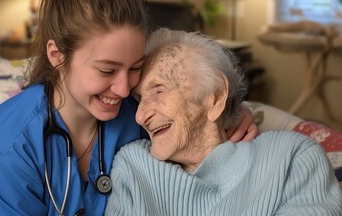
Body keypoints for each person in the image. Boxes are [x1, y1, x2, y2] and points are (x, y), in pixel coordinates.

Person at [0, 0, 257, 216]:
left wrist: (232, 111)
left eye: (135, 67)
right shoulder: (7, 150)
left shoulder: (132, 113)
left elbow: (194, 107)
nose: (125, 89)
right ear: (56, 56)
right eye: (107, 71)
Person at [105, 28, 342, 215]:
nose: (140, 115)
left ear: (215, 98)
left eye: (158, 91)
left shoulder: (292, 157)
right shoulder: (133, 166)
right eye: (138, 99)